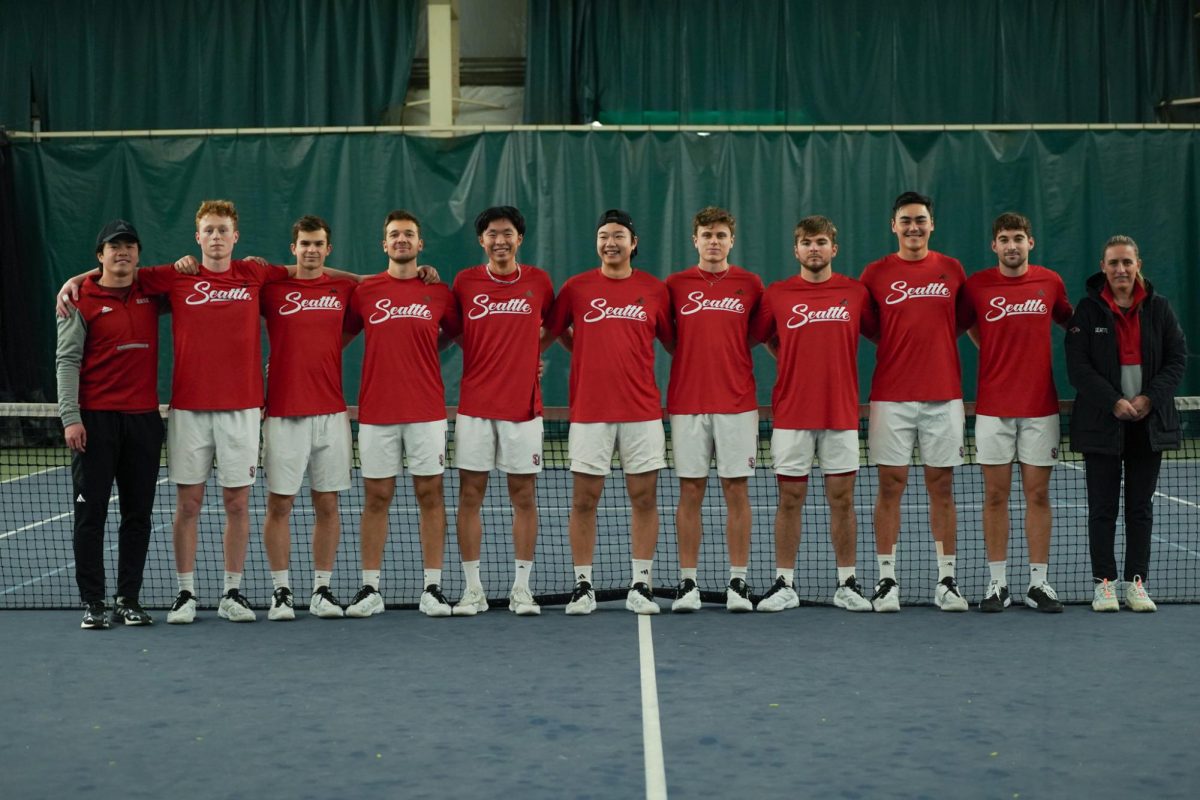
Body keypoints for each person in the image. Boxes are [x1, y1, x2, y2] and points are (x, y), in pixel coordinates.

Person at [57, 200, 293, 623]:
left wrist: (374, 279)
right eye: (209, 230)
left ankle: (226, 593)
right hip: (176, 412)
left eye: (224, 230)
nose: (217, 237)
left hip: (228, 412)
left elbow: (307, 272)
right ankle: (179, 594)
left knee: (226, 505)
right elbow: (107, 282)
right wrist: (72, 281)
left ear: (235, 236)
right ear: (197, 236)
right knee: (183, 505)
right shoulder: (170, 278)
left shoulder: (250, 272)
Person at [545, 209, 675, 615]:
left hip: (641, 412)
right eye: (603, 236)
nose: (610, 243)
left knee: (644, 498)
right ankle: (583, 586)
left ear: (633, 243)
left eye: (618, 236)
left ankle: (641, 584)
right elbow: (548, 333)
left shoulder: (655, 290)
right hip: (589, 413)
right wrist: (579, 349)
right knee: (584, 500)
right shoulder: (576, 288)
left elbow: (674, 343)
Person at [750, 215, 876, 612]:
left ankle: (847, 584)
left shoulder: (855, 293)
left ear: (833, 249)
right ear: (796, 250)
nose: (814, 249)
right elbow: (760, 336)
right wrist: (787, 358)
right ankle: (784, 584)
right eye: (806, 243)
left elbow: (883, 332)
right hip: (791, 416)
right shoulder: (777, 294)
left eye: (821, 241)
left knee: (843, 500)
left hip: (840, 415)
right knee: (790, 499)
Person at [343, 210, 462, 618]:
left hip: (426, 412)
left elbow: (462, 335)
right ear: (384, 244)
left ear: (420, 244)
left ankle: (432, 588)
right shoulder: (365, 291)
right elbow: (333, 337)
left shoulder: (439, 292)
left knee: (430, 496)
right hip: (377, 413)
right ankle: (370, 588)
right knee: (376, 498)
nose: (401, 240)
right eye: (394, 235)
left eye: (409, 234)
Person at [860, 191, 969, 612]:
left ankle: (947, 580)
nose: (913, 227)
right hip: (890, 398)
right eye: (905, 220)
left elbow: (959, 322)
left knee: (942, 487)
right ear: (894, 226)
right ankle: (887, 580)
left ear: (931, 224)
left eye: (920, 220)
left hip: (944, 398)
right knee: (891, 487)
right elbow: (871, 326)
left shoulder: (951, 270)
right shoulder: (874, 273)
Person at [1065, 235, 1187, 613]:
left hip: (1148, 426)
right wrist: (1113, 401)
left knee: (1140, 509)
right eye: (1113, 263)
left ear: (1138, 265)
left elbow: (1176, 359)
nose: (1120, 269)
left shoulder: (1160, 309)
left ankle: (1136, 584)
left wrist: (1149, 398)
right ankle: (1104, 584)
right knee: (1102, 508)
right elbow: (1078, 368)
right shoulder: (1086, 311)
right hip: (1102, 424)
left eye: (1127, 263)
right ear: (1103, 267)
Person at [958, 213, 1072, 613]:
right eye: (1004, 239)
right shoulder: (976, 286)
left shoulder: (1050, 282)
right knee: (994, 496)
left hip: (1041, 408)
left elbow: (1071, 324)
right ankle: (998, 584)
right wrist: (990, 348)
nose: (1011, 245)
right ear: (994, 246)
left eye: (1018, 238)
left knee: (1038, 494)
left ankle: (1038, 584)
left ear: (1030, 242)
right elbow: (966, 326)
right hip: (992, 409)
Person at [56, 220, 165, 629]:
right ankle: (94, 602)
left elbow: (197, 281)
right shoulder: (79, 299)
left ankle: (128, 599)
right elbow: (66, 360)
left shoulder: (153, 291)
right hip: (95, 424)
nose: (122, 252)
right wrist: (71, 418)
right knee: (91, 515)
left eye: (129, 246)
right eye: (113, 246)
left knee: (138, 516)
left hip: (144, 424)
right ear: (99, 255)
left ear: (138, 253)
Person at [448, 206, 555, 617]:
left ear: (519, 238)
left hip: (523, 410)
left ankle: (521, 589)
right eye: (492, 234)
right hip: (475, 408)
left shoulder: (539, 282)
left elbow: (554, 326)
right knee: (469, 495)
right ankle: (472, 589)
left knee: (523, 496)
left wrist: (530, 356)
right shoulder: (465, 282)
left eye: (507, 233)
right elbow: (455, 329)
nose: (500, 240)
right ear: (481, 240)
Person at [259, 216, 358, 620]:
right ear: (293, 248)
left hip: (332, 414)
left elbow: (377, 282)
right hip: (283, 413)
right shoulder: (272, 289)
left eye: (318, 244)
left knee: (328, 504)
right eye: (304, 243)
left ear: (328, 249)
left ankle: (322, 590)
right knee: (279, 504)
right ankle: (281, 592)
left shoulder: (344, 288)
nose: (311, 250)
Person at [665, 206, 762, 613]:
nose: (714, 241)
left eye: (721, 235)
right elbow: (669, 337)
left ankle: (737, 582)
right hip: (687, 404)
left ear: (731, 240)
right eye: (707, 234)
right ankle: (689, 583)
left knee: (736, 490)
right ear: (695, 240)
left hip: (737, 405)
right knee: (690, 491)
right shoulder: (674, 285)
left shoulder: (751, 285)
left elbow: (757, 335)